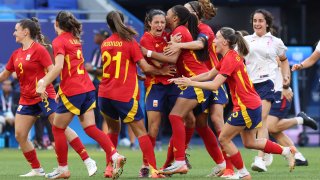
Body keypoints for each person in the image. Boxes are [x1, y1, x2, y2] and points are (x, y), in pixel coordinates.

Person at [170, 27, 296, 179]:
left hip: (246, 105)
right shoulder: (229, 56)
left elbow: (214, 85)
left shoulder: (230, 58)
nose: (213, 41)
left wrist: (190, 83)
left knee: (224, 138)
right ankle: (286, 151)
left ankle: (242, 173)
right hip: (251, 104)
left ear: (225, 41)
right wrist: (187, 80)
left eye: (216, 38)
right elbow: (209, 74)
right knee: (249, 142)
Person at [0, 17, 97, 177]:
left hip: (45, 96)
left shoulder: (39, 50)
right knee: (20, 134)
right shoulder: (16, 54)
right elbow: (4, 75)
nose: (13, 33)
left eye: (16, 30)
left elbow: (53, 69)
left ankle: (88, 160)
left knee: (61, 128)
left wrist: (44, 84)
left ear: (25, 32)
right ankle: (37, 169)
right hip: (26, 99)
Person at [36, 11, 125, 179]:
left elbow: (59, 67)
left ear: (56, 23)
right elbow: (73, 69)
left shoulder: (58, 41)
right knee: (91, 128)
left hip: (74, 90)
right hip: (87, 88)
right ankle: (115, 155)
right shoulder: (75, 39)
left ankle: (63, 169)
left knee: (57, 127)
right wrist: (60, 90)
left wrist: (43, 83)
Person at [145, 5, 225, 176]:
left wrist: (148, 53)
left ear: (174, 18)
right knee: (199, 124)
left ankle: (180, 160)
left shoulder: (179, 31)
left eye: (167, 14)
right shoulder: (179, 31)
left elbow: (172, 57)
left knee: (175, 116)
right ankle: (221, 163)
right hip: (195, 80)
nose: (165, 17)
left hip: (196, 80)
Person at [98, 10, 175, 178]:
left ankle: (109, 168)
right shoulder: (130, 42)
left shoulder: (105, 43)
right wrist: (162, 71)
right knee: (141, 133)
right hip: (123, 95)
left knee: (112, 130)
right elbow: (146, 67)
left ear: (109, 26)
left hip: (104, 94)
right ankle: (153, 170)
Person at [164, 1, 234, 177]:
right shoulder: (185, 31)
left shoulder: (203, 29)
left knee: (217, 121)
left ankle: (230, 167)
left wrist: (175, 46)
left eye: (187, 11)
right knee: (200, 124)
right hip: (201, 78)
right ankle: (220, 163)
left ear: (194, 14)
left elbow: (200, 44)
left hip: (213, 78)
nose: (184, 14)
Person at [243, 9, 291, 172]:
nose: (257, 23)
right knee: (255, 123)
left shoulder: (276, 41)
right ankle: (268, 150)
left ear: (267, 23)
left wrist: (286, 78)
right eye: (255, 20)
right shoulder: (245, 40)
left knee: (261, 119)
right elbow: (235, 60)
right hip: (249, 85)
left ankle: (260, 159)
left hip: (268, 83)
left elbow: (284, 61)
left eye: (260, 21)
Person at [138, 9, 181, 177]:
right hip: (155, 85)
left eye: (162, 22)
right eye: (156, 22)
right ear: (149, 23)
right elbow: (156, 62)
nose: (160, 25)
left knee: (182, 121)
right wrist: (161, 65)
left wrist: (157, 57)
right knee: (154, 128)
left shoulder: (168, 36)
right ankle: (145, 165)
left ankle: (175, 161)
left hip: (172, 83)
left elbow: (169, 58)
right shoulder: (145, 39)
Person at [264, 61, 318, 167]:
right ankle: (298, 157)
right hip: (268, 93)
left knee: (270, 127)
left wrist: (285, 86)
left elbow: (284, 63)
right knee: (274, 130)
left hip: (280, 93)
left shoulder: (272, 46)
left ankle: (300, 120)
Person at [85, 29, 109, 132]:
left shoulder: (107, 50)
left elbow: (107, 69)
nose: (95, 37)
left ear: (103, 37)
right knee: (94, 112)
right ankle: (99, 137)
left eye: (97, 35)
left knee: (103, 112)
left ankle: (105, 138)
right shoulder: (96, 50)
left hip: (103, 84)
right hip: (93, 84)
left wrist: (93, 69)